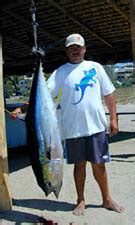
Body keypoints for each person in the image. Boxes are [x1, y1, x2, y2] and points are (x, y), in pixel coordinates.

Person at [11, 33, 124, 216]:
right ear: (67, 52)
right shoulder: (60, 72)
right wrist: (22, 109)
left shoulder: (95, 67)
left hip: (96, 127)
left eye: (78, 48)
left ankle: (107, 199)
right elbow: (43, 96)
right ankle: (80, 200)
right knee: (79, 166)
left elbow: (109, 95)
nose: (75, 51)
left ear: (84, 49)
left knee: (99, 165)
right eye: (71, 48)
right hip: (72, 130)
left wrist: (113, 119)